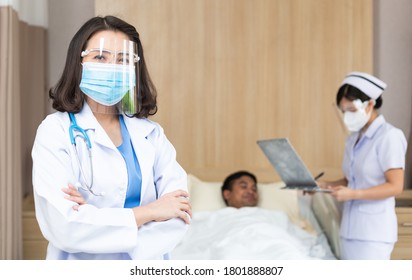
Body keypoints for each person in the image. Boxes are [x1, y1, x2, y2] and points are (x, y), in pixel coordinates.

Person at [31, 15, 191, 260]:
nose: (112, 67)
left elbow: (178, 212)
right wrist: (151, 211)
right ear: (79, 61)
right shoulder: (55, 132)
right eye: (100, 57)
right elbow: (65, 227)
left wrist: (93, 219)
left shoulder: (152, 134)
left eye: (123, 59)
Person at [318, 72, 407, 260]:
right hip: (350, 230)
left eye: (351, 110)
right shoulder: (353, 139)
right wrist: (325, 186)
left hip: (374, 234)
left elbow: (395, 186)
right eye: (343, 111)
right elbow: (354, 179)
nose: (347, 116)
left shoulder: (389, 136)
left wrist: (353, 194)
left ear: (370, 104)